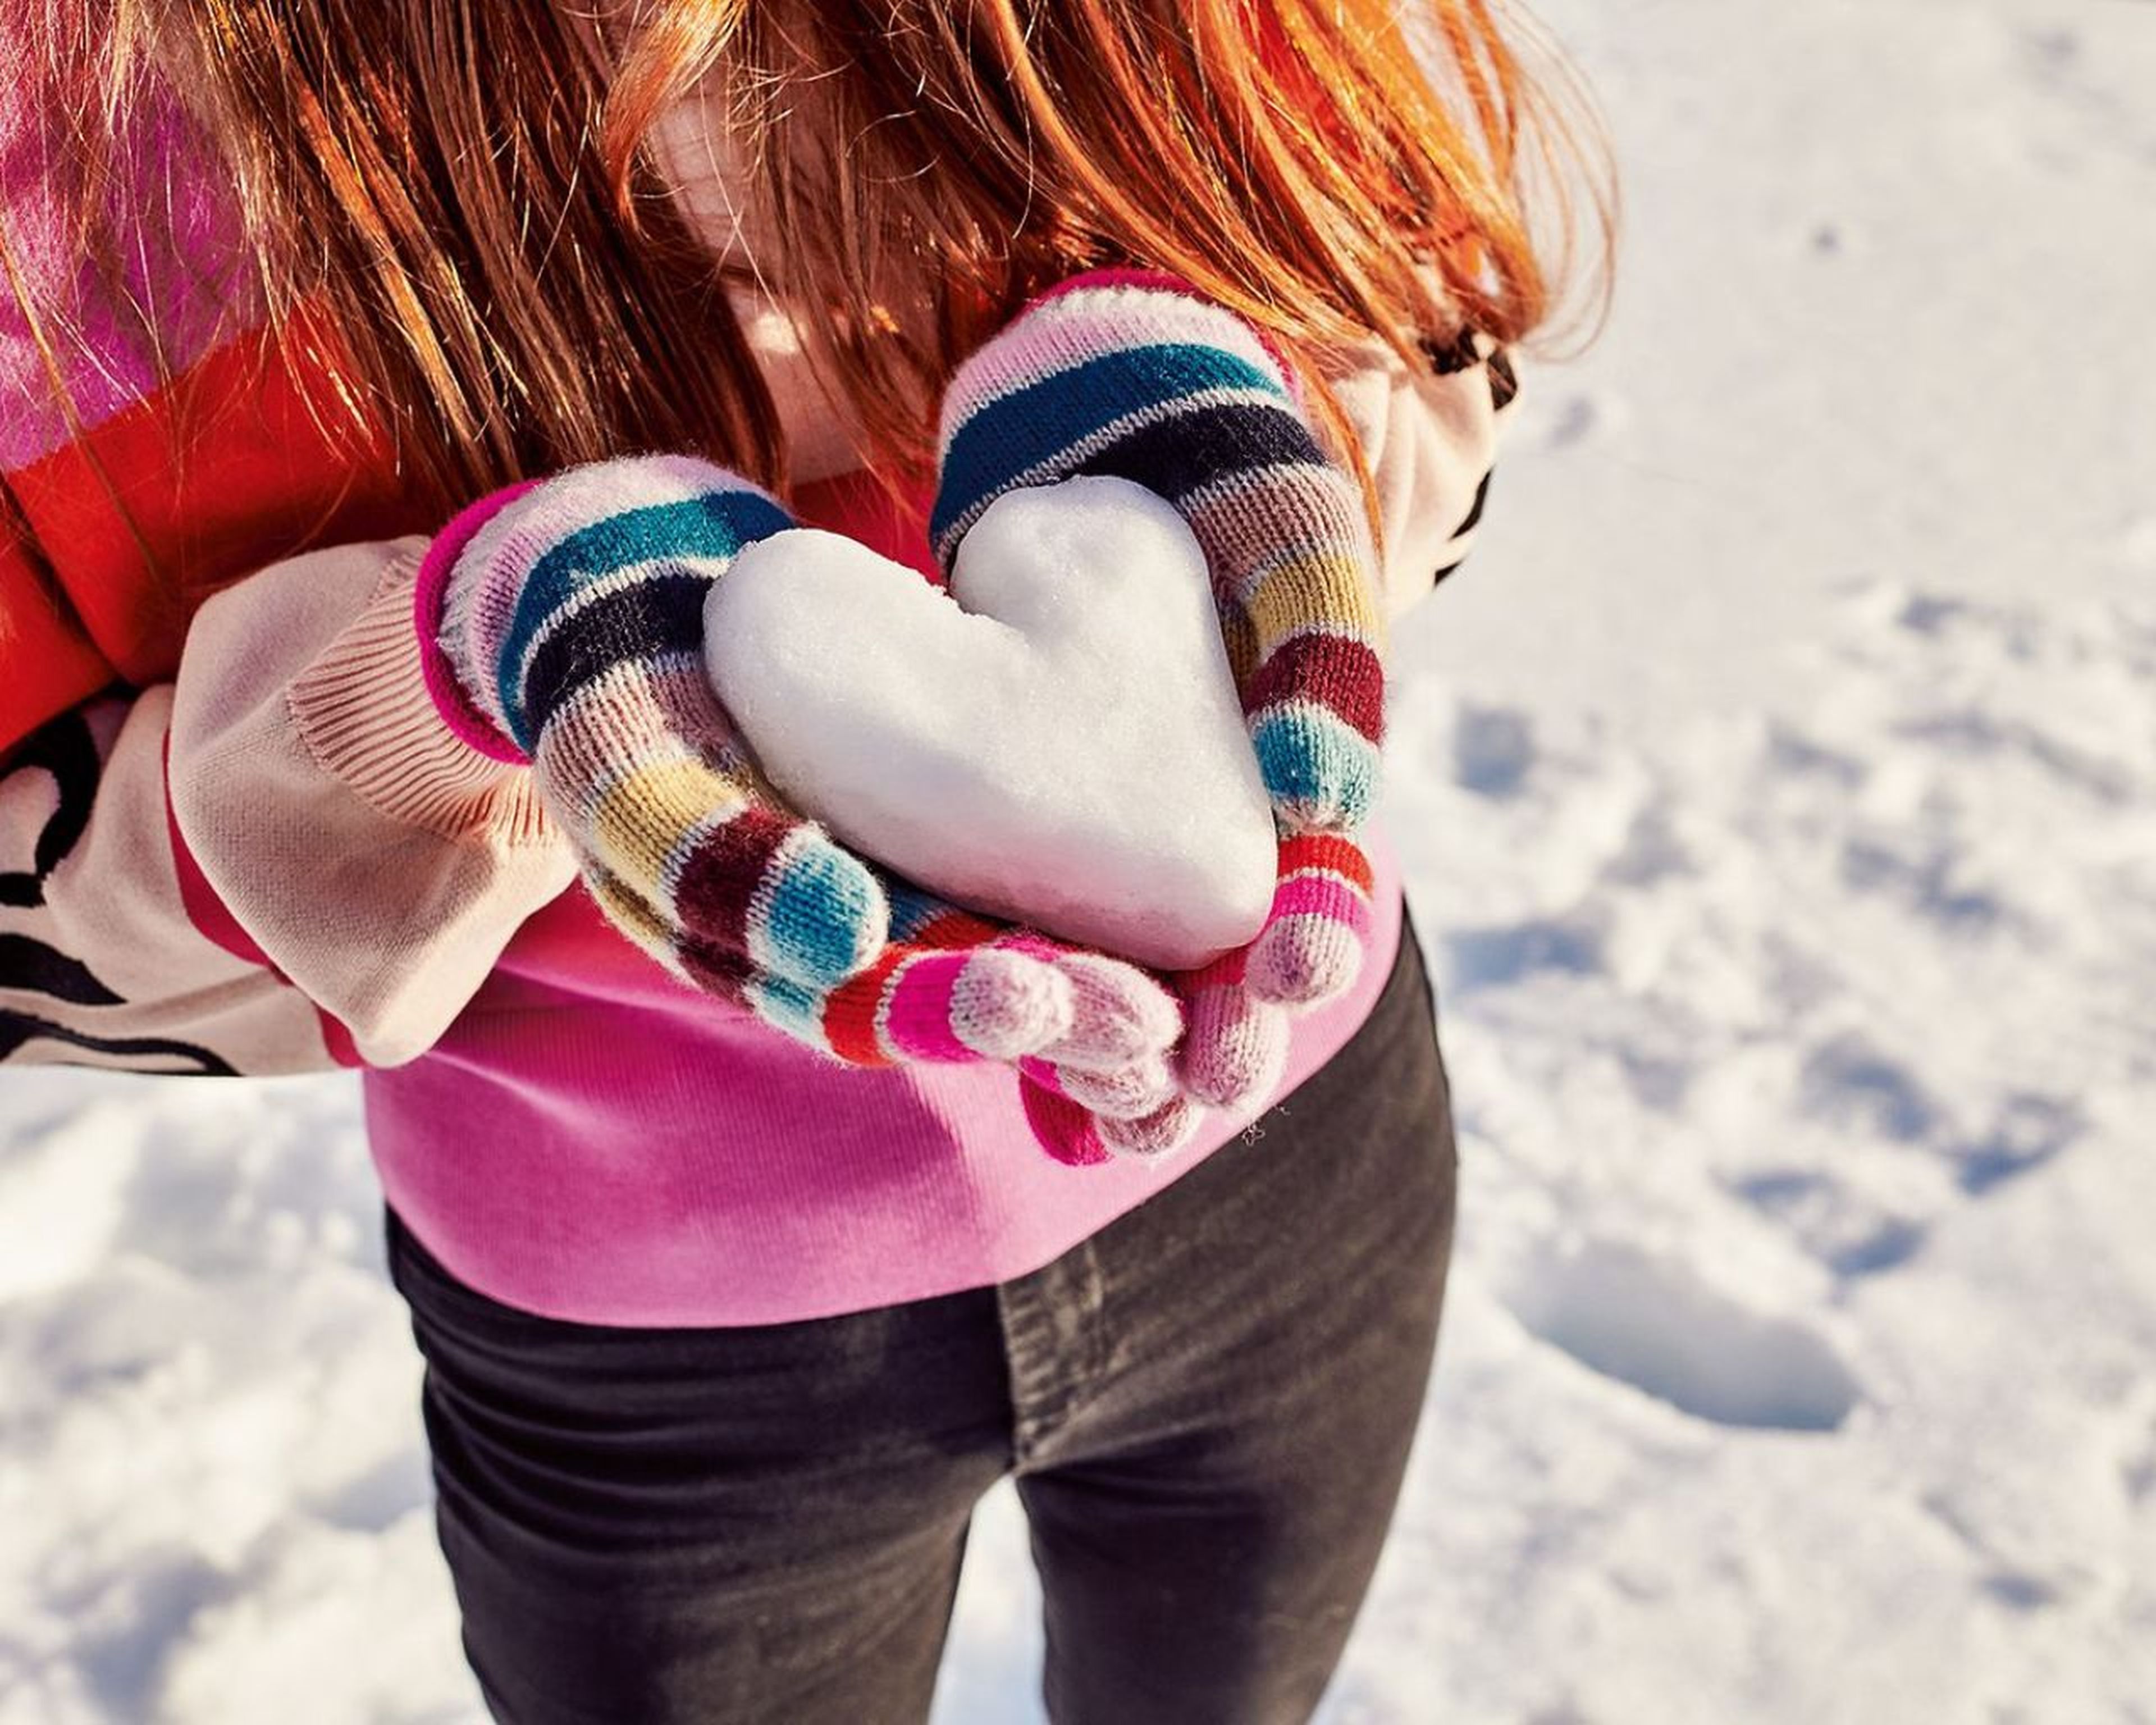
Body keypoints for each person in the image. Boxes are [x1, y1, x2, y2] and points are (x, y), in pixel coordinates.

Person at [0, 3, 1602, 1719]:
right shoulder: (69, 131)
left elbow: (1439, 307)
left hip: (1299, 1163)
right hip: (656, 1362)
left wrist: (1242, 419)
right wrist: (442, 680)